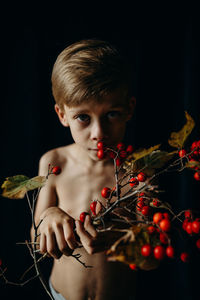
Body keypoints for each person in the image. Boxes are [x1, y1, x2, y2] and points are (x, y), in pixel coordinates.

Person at [31, 39, 136, 300]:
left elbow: (155, 253)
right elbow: (35, 241)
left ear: (129, 109)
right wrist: (50, 217)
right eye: (83, 117)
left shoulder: (138, 171)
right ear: (62, 114)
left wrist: (118, 237)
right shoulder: (54, 163)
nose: (98, 133)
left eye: (111, 113)